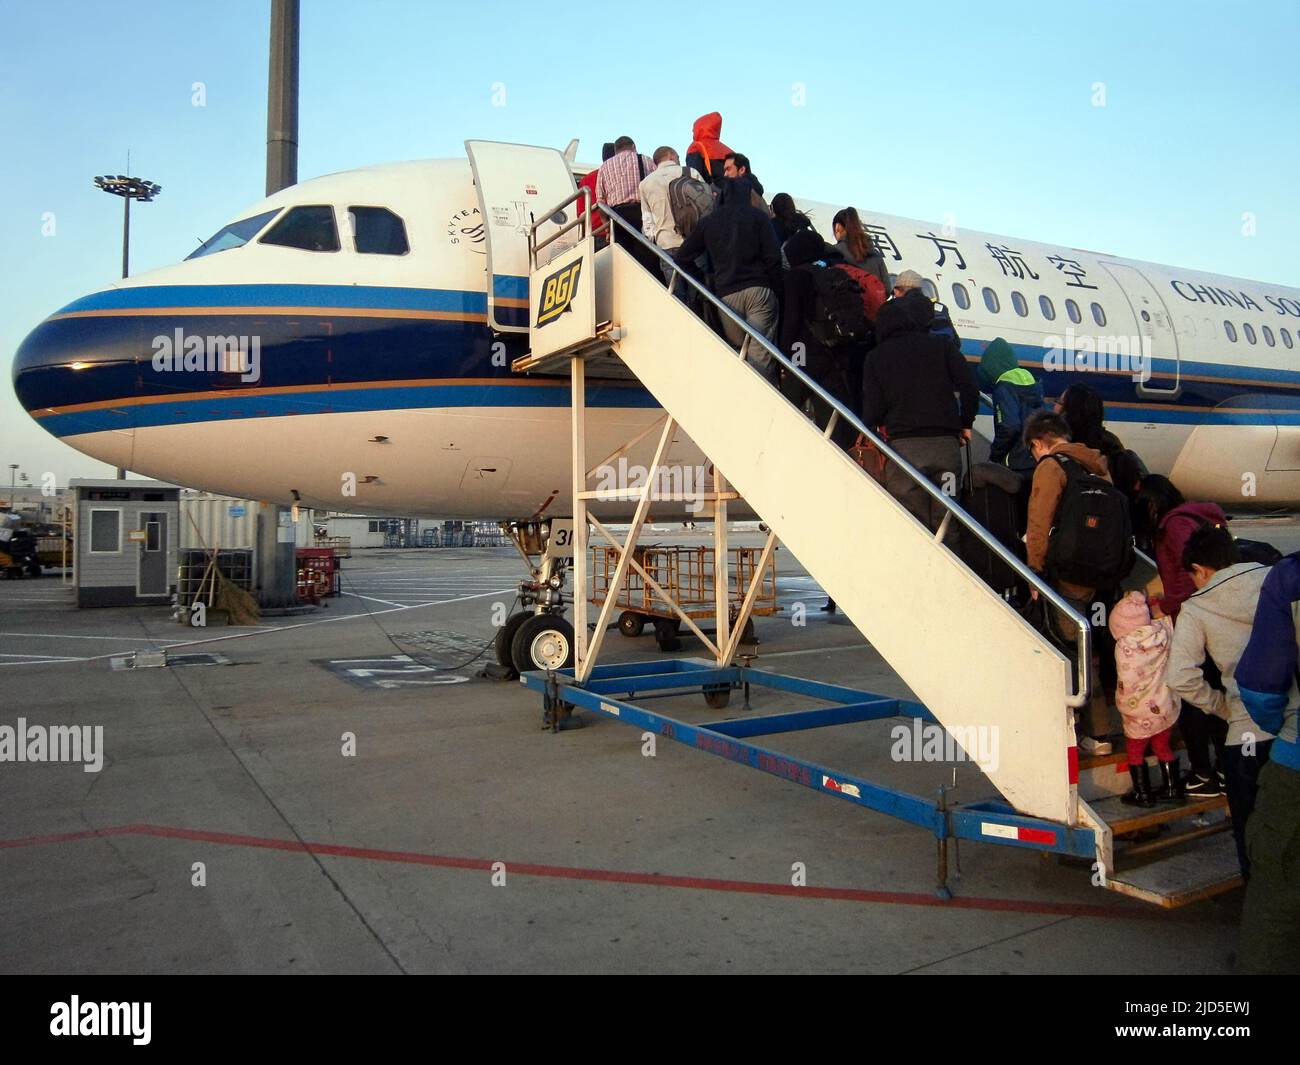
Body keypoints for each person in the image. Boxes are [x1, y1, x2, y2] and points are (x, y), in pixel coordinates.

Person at [1168, 524, 1275, 876]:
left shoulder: (1196, 608)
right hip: (1292, 730)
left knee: (1251, 836)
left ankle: (1261, 910)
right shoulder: (1274, 580)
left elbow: (1180, 677)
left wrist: (1222, 706)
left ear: (1200, 569)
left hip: (1246, 734)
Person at [1022, 411, 1125, 753]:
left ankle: (1095, 733)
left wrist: (1034, 573)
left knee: (1071, 650)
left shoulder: (1051, 467)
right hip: (1100, 574)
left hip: (1065, 575)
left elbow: (1038, 525)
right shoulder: (1098, 466)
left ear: (1039, 442)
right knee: (1088, 646)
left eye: (1033, 450)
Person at [1134, 473, 1229, 795]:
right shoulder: (1194, 517)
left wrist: (1168, 604)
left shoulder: (1175, 526)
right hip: (1209, 617)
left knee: (1190, 693)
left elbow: (1195, 574)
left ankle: (1204, 773)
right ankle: (1225, 769)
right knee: (1214, 689)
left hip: (1194, 619)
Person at [862, 294, 978, 537]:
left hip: (905, 450)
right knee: (948, 519)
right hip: (945, 447)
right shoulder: (942, 347)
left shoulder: (877, 357)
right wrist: (965, 423)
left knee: (912, 523)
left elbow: (873, 409)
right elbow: (969, 386)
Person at [1235, 551, 1300, 974]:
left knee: (1276, 897)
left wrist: (1290, 730)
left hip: (1295, 768)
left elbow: (1261, 685)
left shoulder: (1291, 578)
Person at [673, 176, 782, 369]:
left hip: (726, 295)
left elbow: (682, 257)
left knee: (738, 354)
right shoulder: (758, 217)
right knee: (760, 355)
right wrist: (776, 288)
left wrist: (704, 279)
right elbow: (773, 257)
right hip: (758, 290)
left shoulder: (709, 222)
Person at [779, 228, 857, 450]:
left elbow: (792, 320)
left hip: (803, 353)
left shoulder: (797, 276)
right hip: (833, 354)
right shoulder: (831, 273)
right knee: (831, 424)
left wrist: (784, 355)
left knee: (785, 409)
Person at [1109, 591, 1181, 807]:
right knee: (1163, 747)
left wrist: (1122, 703)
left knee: (1135, 750)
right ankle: (1172, 788)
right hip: (1164, 706)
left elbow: (1127, 680)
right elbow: (1167, 621)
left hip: (1139, 710)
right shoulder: (1162, 634)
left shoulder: (1125, 646)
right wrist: (1156, 604)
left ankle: (1143, 793)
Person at [1057, 383, 1145, 504]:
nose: (1054, 407)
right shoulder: (1112, 442)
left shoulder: (1066, 449)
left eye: (1059, 402)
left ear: (1069, 412)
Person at [638, 146, 706, 299]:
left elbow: (648, 223)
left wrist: (655, 239)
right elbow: (707, 205)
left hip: (666, 244)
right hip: (695, 241)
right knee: (702, 294)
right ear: (671, 155)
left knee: (677, 297)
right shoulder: (690, 172)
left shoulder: (646, 183)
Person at [977, 337, 1045, 478]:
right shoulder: (1032, 385)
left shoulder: (1004, 388)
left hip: (1015, 462)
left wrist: (995, 454)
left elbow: (1010, 426)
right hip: (1035, 458)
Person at [594, 136, 659, 274]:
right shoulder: (646, 160)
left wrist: (606, 225)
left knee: (623, 261)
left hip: (616, 216)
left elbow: (600, 201)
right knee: (648, 260)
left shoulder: (605, 167)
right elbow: (657, 189)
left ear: (616, 150)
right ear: (633, 146)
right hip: (642, 213)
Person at [891, 270, 961, 359]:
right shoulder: (939, 308)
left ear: (897, 290)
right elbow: (957, 343)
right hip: (938, 362)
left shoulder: (895, 309)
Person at [831, 207, 889, 292]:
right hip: (873, 304)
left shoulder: (834, 252)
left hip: (844, 303)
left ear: (837, 227)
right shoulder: (875, 254)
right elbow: (887, 289)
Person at [576, 142, 615, 241]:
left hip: (593, 233)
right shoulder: (618, 177)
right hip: (613, 230)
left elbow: (580, 212)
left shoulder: (587, 179)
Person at [685, 112, 732, 186]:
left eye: (694, 129)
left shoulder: (696, 147)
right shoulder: (729, 151)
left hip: (714, 195)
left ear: (699, 129)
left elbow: (694, 178)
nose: (692, 131)